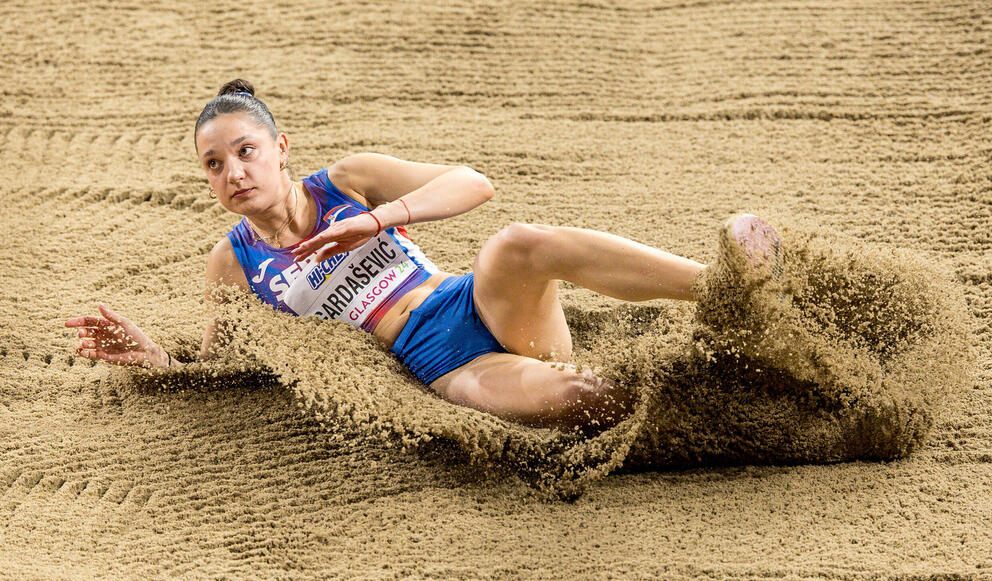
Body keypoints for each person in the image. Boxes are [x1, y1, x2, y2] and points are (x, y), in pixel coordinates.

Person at [64, 79, 779, 434]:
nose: (233, 174)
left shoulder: (346, 181)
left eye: (245, 152)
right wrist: (157, 359)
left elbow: (474, 182)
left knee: (515, 242)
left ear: (280, 151)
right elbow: (225, 369)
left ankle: (725, 286)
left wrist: (376, 219)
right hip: (447, 361)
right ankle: (739, 400)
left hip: (476, 300)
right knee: (587, 398)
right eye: (213, 166)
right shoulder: (235, 261)